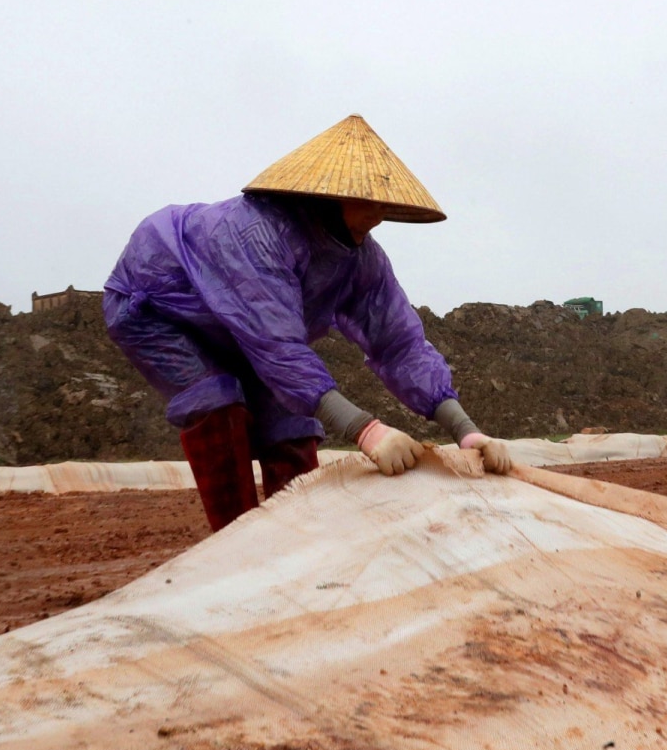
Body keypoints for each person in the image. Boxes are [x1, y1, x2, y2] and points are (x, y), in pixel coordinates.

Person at [102, 115, 512, 532]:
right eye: (366, 199)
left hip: (240, 332)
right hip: (158, 308)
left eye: (383, 202)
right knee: (217, 403)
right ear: (330, 196)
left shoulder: (362, 258)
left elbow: (399, 342)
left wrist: (465, 430)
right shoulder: (255, 233)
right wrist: (366, 430)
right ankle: (236, 544)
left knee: (292, 426)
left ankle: (294, 540)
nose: (378, 214)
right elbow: (277, 346)